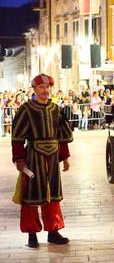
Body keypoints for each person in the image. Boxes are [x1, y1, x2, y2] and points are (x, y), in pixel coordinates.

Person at [11, 74, 73, 248]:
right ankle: (32, 235)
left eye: (47, 87)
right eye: (41, 87)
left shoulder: (56, 109)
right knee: (31, 196)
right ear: (35, 89)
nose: (45, 90)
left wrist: (65, 157)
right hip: (34, 157)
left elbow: (62, 135)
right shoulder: (25, 109)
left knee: (53, 195)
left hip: (53, 157)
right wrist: (19, 159)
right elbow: (17, 138)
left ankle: (53, 231)